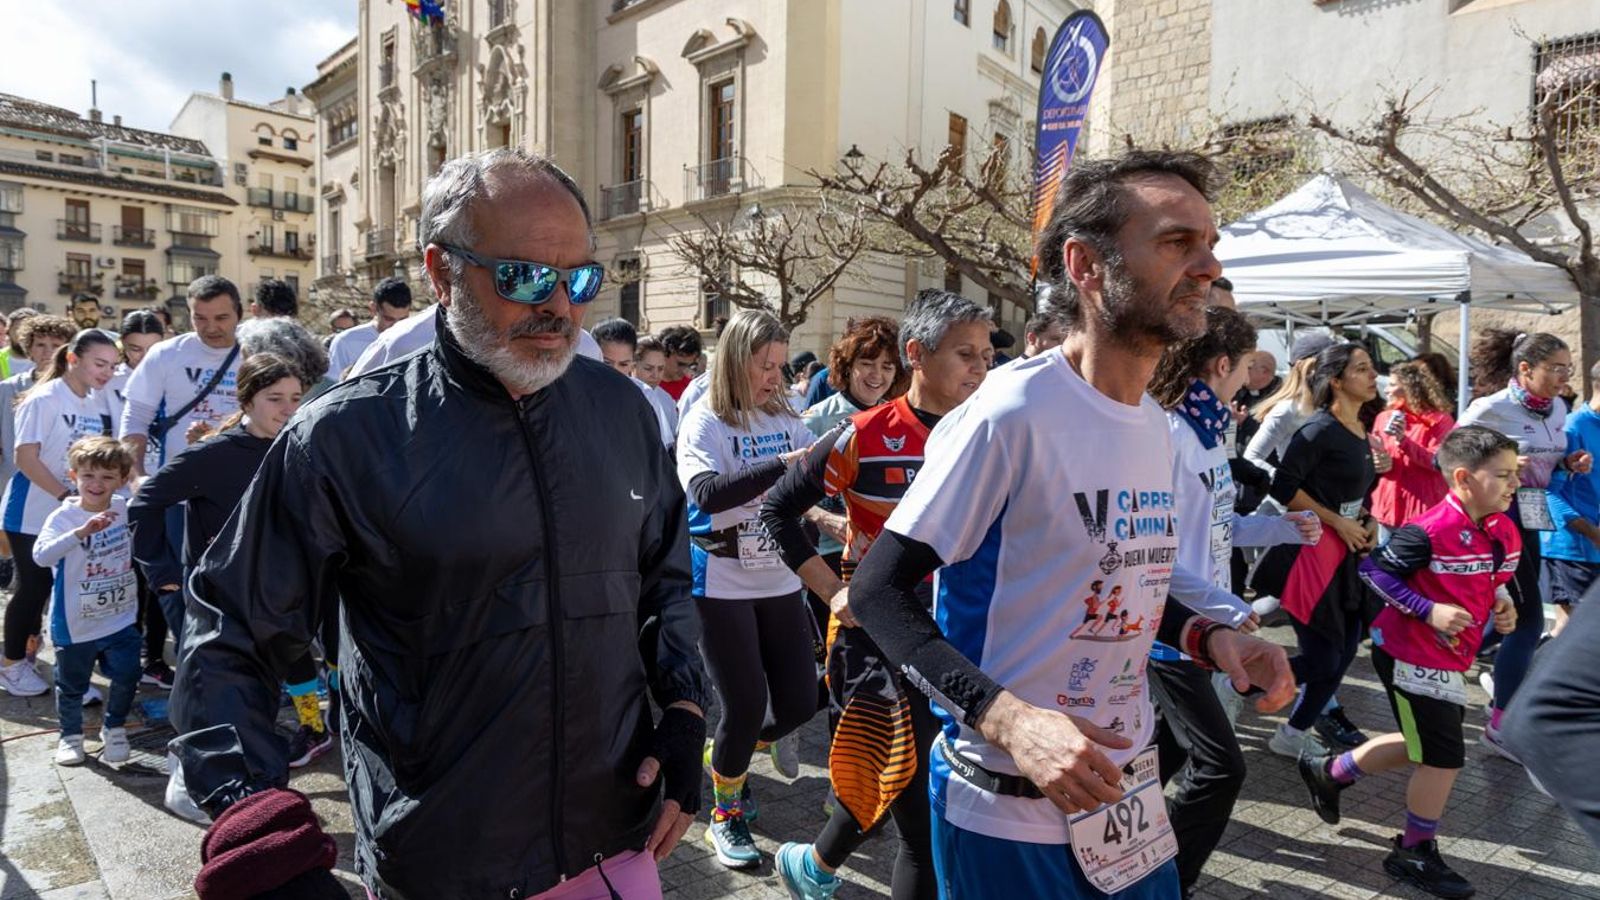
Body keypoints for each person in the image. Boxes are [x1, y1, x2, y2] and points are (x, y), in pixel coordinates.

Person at [167, 148, 707, 899]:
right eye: (523, 276)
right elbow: (229, 630)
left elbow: (664, 577)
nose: (559, 306)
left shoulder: (620, 411)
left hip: (616, 835)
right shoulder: (345, 437)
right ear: (441, 270)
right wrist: (253, 820)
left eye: (580, 279)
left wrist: (684, 711)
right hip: (445, 858)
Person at [848, 150, 1296, 900]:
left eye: (1210, 245)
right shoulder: (1008, 414)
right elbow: (877, 594)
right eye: (1176, 242)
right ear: (1086, 265)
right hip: (1009, 812)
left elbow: (1119, 584)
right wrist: (1012, 722)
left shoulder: (1154, 424)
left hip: (1129, 801)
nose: (1208, 267)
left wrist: (1210, 637)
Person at [760, 289, 991, 900]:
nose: (981, 366)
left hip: (967, 641)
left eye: (986, 354)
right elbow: (779, 511)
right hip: (880, 642)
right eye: (965, 353)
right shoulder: (862, 433)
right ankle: (813, 866)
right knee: (918, 823)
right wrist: (835, 592)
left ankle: (812, 866)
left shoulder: (997, 434)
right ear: (917, 354)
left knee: (898, 797)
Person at [1299, 426, 1521, 899]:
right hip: (1406, 653)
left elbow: (1491, 574)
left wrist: (1502, 601)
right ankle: (1413, 852)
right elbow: (1373, 573)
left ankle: (1330, 771)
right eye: (1503, 475)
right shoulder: (1430, 529)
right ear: (1463, 478)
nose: (1514, 484)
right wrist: (1428, 610)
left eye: (1515, 474)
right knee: (1443, 756)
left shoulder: (1501, 525)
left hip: (1449, 656)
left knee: (1425, 744)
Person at [1146, 305, 1321, 897]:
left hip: (1208, 624)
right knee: (1222, 768)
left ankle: (1121, 860)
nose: (1252, 378)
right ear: (1222, 364)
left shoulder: (1209, 430)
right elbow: (1156, 556)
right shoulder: (1167, 433)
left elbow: (1218, 527)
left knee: (1154, 764)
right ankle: (1166, 881)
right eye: (1248, 365)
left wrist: (1281, 527)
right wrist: (1221, 606)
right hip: (1171, 631)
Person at [129, 355, 325, 765]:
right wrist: (159, 571)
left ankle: (313, 728)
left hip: (281, 588)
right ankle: (229, 758)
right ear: (247, 400)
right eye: (275, 398)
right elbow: (145, 502)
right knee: (228, 684)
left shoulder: (302, 446)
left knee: (294, 658)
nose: (289, 408)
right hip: (222, 601)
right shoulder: (213, 455)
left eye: (295, 397)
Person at [677, 308, 817, 869]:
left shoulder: (785, 416)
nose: (773, 379)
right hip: (721, 581)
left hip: (781, 577)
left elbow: (815, 477)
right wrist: (786, 466)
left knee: (801, 701)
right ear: (735, 361)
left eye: (780, 367)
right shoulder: (706, 420)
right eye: (764, 366)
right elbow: (708, 494)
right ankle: (724, 812)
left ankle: (725, 758)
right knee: (744, 702)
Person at [1457, 329, 1589, 757]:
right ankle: (1498, 728)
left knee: (1507, 617)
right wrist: (1503, 463)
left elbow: (1549, 469)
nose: (1562, 378)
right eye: (1555, 369)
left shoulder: (1558, 410)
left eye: (1567, 370)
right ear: (1526, 369)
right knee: (1530, 622)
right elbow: (1450, 455)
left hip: (1531, 519)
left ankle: (1431, 661)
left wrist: (1569, 464)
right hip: (1496, 520)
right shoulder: (1491, 408)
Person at [1253, 343, 1383, 759]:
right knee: (1325, 658)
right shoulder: (1318, 430)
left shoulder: (1362, 429)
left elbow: (1356, 493)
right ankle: (1238, 681)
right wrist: (1336, 520)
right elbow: (1283, 487)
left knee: (1344, 654)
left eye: (1371, 368)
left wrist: (1368, 519)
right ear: (1337, 380)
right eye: (1362, 369)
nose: (1373, 375)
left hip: (1349, 554)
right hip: (1312, 554)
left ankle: (1292, 734)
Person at [0, 328, 120, 698]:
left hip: (76, 514)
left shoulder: (100, 401)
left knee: (68, 593)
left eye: (113, 366)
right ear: (73, 359)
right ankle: (10, 664)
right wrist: (65, 494)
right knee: (34, 588)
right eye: (100, 364)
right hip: (32, 512)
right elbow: (25, 457)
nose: (107, 373)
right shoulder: (44, 398)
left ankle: (65, 671)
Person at [797, 315, 910, 641]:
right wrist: (823, 518)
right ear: (847, 366)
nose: (877, 375)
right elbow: (785, 499)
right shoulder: (816, 421)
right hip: (830, 559)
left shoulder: (897, 418)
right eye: (867, 363)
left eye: (887, 366)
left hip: (883, 560)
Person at [36, 436, 141, 766]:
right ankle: (71, 736)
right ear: (74, 476)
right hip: (75, 623)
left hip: (120, 618)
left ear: (122, 480)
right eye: (89, 476)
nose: (97, 484)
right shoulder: (62, 519)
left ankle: (115, 727)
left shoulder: (123, 508)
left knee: (127, 674)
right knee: (72, 686)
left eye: (108, 477)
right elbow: (41, 557)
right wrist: (81, 532)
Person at [118, 275, 243, 480]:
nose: (211, 327)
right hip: (177, 489)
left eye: (221, 318)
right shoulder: (165, 354)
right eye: (200, 318)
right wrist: (137, 477)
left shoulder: (257, 355)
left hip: (241, 487)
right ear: (189, 314)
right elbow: (135, 418)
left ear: (238, 313)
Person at [105, 309, 172, 689]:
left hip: (163, 492)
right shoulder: (112, 384)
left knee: (159, 578)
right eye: (134, 349)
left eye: (153, 348)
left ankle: (153, 657)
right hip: (118, 494)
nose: (143, 358)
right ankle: (123, 656)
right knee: (127, 580)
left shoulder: (175, 376)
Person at [0, 313, 69, 612]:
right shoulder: (7, 389)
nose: (48, 351)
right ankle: (26, 642)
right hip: (17, 490)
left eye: (56, 344)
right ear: (28, 348)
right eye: (40, 344)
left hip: (61, 490)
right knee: (28, 579)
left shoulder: (75, 388)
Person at [1542, 360, 1600, 637]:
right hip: (1572, 547)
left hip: (1594, 545)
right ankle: (1522, 678)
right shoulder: (1573, 427)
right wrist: (1591, 532)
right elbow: (1549, 492)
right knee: (1570, 632)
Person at [1371, 360, 1455, 540]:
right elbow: (1375, 454)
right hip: (1388, 509)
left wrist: (1403, 440)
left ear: (1411, 387)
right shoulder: (1383, 417)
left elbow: (1439, 461)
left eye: (1392, 385)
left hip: (1423, 509)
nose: (1386, 390)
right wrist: (1375, 460)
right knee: (1385, 564)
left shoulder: (1439, 420)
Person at [594, 317, 676, 448]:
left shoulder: (645, 395)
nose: (614, 372)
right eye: (606, 363)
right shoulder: (574, 392)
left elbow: (658, 452)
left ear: (632, 363)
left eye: (623, 364)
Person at [327, 276, 413, 377]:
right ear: (373, 309)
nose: (396, 326)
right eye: (389, 319)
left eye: (403, 319)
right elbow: (333, 385)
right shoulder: (345, 342)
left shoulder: (416, 338)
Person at [636, 334, 680, 443]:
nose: (655, 375)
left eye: (660, 369)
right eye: (648, 368)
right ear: (633, 365)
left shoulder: (667, 400)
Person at [658, 324, 703, 401]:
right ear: (664, 353)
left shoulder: (693, 389)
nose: (685, 371)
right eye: (680, 364)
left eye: (690, 365)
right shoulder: (648, 385)